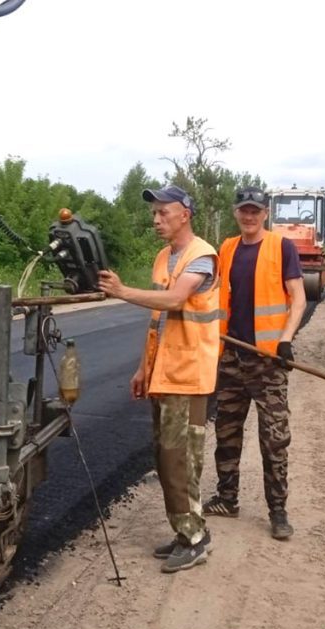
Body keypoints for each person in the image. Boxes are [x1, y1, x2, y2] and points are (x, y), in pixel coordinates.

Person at [98, 184, 220, 573]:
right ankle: (186, 530)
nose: (155, 220)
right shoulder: (163, 258)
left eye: (162, 212)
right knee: (167, 459)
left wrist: (120, 291)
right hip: (164, 373)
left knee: (181, 460)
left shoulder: (201, 256)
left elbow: (173, 301)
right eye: (153, 213)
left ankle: (195, 539)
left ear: (185, 213)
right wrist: (142, 368)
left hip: (188, 375)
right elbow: (158, 320)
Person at [203, 186, 307, 540]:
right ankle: (226, 498)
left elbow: (298, 298)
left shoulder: (282, 247)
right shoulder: (228, 248)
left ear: (265, 213)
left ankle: (278, 511)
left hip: (268, 361)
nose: (249, 216)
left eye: (255, 210)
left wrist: (285, 339)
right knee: (226, 431)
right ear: (236, 212)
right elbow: (214, 295)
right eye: (244, 210)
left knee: (274, 438)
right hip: (232, 355)